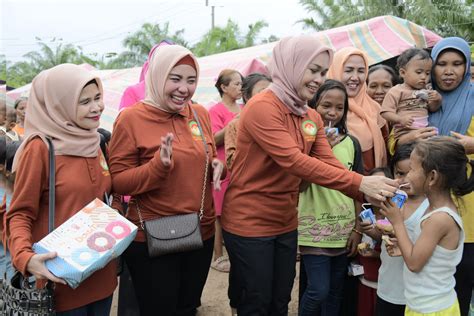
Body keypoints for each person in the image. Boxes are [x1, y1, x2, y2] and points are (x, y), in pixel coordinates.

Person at [220, 35, 399, 316]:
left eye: (323, 72)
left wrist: (370, 190)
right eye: (312, 70)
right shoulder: (262, 108)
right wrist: (361, 183)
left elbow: (328, 161)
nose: (318, 79)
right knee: (256, 301)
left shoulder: (309, 116)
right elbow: (295, 161)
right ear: (291, 65)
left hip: (285, 220)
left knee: (280, 299)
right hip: (249, 221)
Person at [108, 44, 225, 315]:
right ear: (157, 76)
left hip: (200, 232)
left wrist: (218, 166)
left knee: (187, 308)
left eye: (191, 80)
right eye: (175, 79)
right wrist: (157, 167)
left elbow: (207, 157)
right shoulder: (131, 118)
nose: (184, 88)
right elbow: (119, 182)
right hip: (152, 235)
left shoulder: (199, 114)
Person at [6, 63, 117, 314]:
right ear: (60, 106)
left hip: (102, 275)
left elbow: (108, 194)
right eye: (84, 101)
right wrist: (25, 257)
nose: (96, 107)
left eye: (98, 98)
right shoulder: (41, 148)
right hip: (59, 282)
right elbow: (20, 213)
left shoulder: (94, 140)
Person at [395, 37, 474, 316]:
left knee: (462, 282)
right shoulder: (417, 99)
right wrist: (412, 136)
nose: (449, 71)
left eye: (457, 64)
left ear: (467, 66)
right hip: (426, 203)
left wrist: (471, 146)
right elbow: (398, 148)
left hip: (468, 203)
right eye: (441, 64)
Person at [382, 137, 474, 316]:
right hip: (423, 305)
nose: (407, 176)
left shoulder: (439, 218)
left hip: (432, 309)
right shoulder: (435, 210)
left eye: (412, 170)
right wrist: (404, 248)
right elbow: (431, 256)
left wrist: (397, 222)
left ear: (432, 177)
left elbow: (415, 264)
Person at [297, 79, 364, 315]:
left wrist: (357, 229)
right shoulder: (302, 143)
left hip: (343, 231)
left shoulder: (352, 144)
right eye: (326, 106)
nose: (332, 113)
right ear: (314, 105)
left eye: (339, 107)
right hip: (313, 230)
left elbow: (358, 189)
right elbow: (299, 186)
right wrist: (316, 150)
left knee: (335, 291)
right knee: (318, 290)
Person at [327, 47, 387, 174]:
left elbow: (387, 145)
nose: (355, 77)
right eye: (348, 70)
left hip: (373, 185)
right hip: (338, 186)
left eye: (361, 71)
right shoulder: (324, 109)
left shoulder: (375, 108)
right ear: (335, 71)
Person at [208, 69, 243, 273]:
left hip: (240, 165)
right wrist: (234, 123)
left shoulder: (244, 108)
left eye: (241, 84)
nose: (240, 88)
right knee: (219, 213)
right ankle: (218, 256)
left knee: (235, 209)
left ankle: (233, 252)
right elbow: (213, 139)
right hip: (221, 167)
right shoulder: (215, 111)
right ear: (223, 87)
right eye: (236, 84)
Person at [380, 48, 442, 142]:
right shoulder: (396, 91)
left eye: (427, 73)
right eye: (418, 72)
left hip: (424, 130)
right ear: (403, 73)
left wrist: (437, 99)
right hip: (404, 132)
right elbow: (385, 112)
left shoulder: (426, 90)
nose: (423, 77)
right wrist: (400, 119)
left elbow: (432, 108)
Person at [225, 72, 271, 170]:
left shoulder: (278, 120)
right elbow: (230, 163)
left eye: (271, 92)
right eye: (263, 92)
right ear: (246, 96)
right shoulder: (235, 124)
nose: (269, 97)